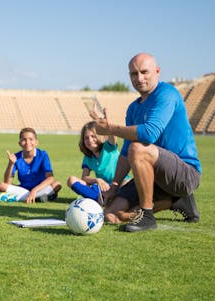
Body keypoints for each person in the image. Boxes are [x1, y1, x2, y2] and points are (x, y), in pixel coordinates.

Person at [91, 52, 201, 232]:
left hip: (184, 174)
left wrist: (110, 128)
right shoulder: (133, 108)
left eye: (144, 72)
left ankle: (147, 216)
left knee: (138, 147)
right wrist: (114, 186)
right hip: (155, 177)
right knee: (110, 214)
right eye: (134, 74)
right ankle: (174, 202)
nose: (139, 78)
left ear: (157, 71)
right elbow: (126, 152)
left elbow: (149, 133)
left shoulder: (167, 94)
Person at [67, 119, 131, 204]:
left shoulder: (108, 148)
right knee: (71, 180)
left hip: (119, 184)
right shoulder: (88, 157)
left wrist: (105, 124)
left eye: (93, 136)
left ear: (100, 136)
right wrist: (97, 180)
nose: (90, 140)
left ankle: (106, 199)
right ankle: (101, 198)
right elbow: (84, 178)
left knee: (127, 183)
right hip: (103, 187)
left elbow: (113, 137)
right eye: (86, 138)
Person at [0, 127, 62, 203]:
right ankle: (39, 198)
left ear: (36, 142)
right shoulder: (16, 157)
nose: (27, 142)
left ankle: (20, 198)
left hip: (39, 188)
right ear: (20, 143)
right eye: (24, 139)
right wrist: (11, 164)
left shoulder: (42, 154)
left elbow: (50, 178)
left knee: (57, 185)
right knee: (1, 186)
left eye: (31, 139)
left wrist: (34, 190)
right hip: (23, 189)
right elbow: (7, 182)